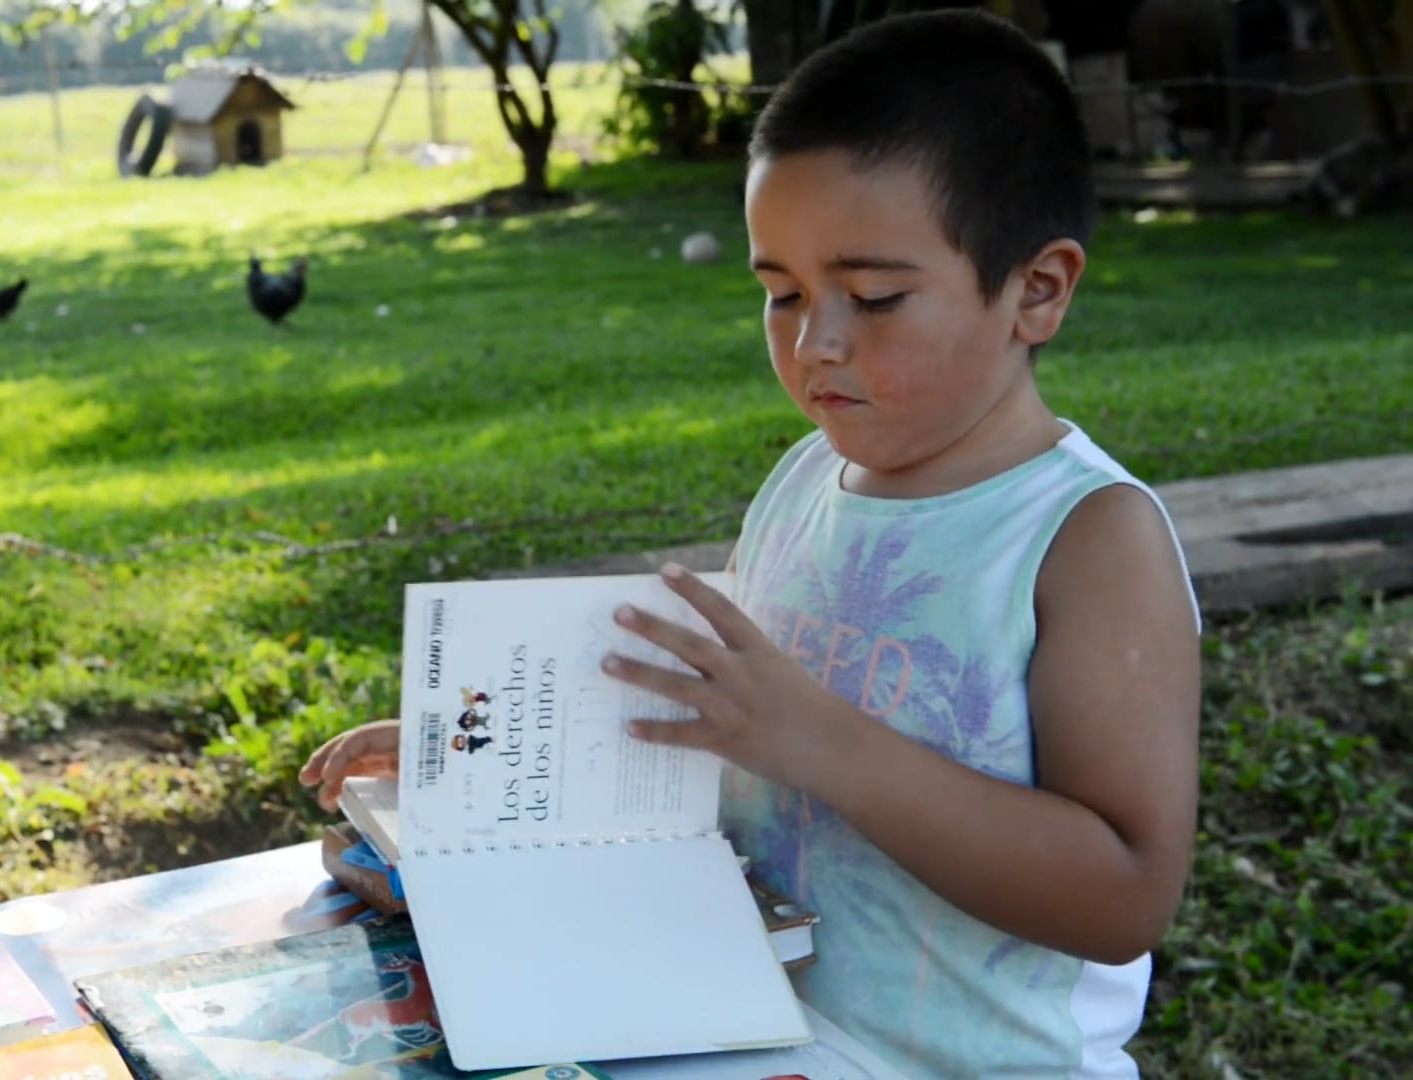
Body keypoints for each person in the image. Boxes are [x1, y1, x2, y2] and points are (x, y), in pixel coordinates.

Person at [300, 9, 1202, 1077]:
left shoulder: (1086, 539)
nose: (816, 342)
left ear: (1036, 290)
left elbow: (1125, 897)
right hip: (741, 1024)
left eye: (874, 297)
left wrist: (824, 743)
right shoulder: (807, 477)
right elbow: (728, 715)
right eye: (782, 293)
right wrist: (493, 758)